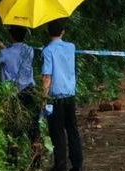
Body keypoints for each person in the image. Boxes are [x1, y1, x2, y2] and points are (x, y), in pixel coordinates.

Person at [0, 26, 41, 165]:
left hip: (14, 94)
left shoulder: (5, 53)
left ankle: (12, 162)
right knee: (33, 126)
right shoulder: (30, 50)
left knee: (12, 127)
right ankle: (36, 161)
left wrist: (0, 49)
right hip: (30, 91)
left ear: (10, 36)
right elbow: (18, 53)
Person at [42, 19, 83, 171]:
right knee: (72, 129)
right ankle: (77, 164)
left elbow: (47, 77)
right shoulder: (71, 47)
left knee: (57, 132)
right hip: (70, 96)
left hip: (55, 98)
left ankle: (60, 166)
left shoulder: (47, 51)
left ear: (48, 33)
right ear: (63, 32)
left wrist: (44, 98)